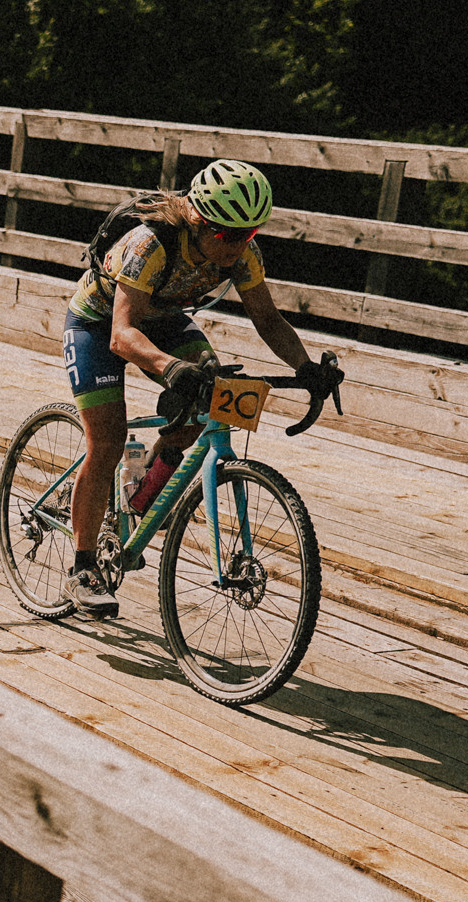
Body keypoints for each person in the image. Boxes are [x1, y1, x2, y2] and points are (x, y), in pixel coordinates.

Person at [58, 158, 337, 615]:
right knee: (106, 441)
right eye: (227, 235)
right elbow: (121, 334)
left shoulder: (243, 253)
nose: (237, 247)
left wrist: (306, 367)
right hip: (99, 323)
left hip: (165, 321)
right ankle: (83, 566)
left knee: (205, 406)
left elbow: (267, 318)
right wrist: (170, 368)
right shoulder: (150, 245)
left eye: (248, 234)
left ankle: (142, 487)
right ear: (197, 219)